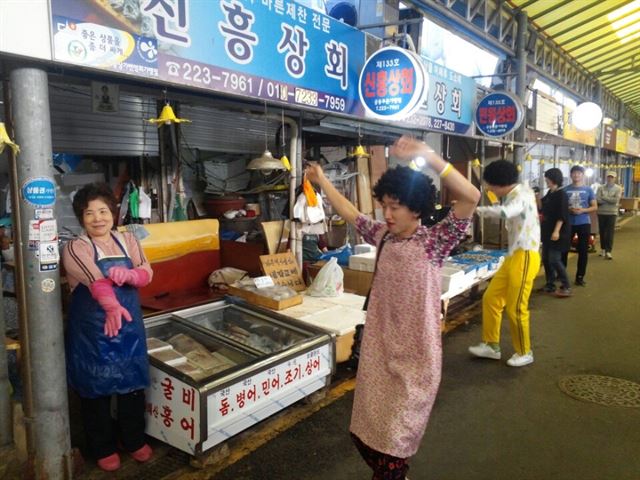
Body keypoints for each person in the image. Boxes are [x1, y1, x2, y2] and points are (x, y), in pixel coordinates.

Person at [306, 136, 480, 480]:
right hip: (379, 352)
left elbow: (471, 197)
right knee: (366, 435)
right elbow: (351, 213)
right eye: (383, 205)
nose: (386, 214)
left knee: (394, 446)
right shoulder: (383, 236)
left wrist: (427, 155)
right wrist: (322, 181)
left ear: (416, 208)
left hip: (416, 360)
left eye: (394, 207)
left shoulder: (434, 241)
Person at [62, 183, 153, 472]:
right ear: (81, 218)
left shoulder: (129, 241)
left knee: (132, 385)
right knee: (96, 389)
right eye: (90, 213)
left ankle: (133, 439)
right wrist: (111, 305)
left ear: (113, 213)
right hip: (93, 332)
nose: (98, 218)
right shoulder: (76, 247)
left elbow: (147, 272)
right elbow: (94, 279)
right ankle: (102, 446)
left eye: (103, 210)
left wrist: (131, 275)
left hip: (128, 328)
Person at [469, 160, 540, 367]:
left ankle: (525, 351)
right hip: (513, 255)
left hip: (526, 255)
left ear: (499, 183)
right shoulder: (514, 194)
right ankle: (491, 345)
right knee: (491, 299)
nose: (489, 189)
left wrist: (478, 210)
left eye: (489, 185)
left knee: (516, 307)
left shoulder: (522, 194)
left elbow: (507, 212)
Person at [537, 168, 572, 297]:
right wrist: (536, 196)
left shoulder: (561, 194)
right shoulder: (550, 193)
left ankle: (566, 285)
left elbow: (562, 215)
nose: (546, 181)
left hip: (558, 232)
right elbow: (541, 208)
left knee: (554, 259)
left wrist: (556, 231)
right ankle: (550, 284)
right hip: (547, 231)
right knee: (546, 259)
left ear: (553, 179)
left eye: (547, 179)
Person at [562, 165, 597, 286]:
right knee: (564, 249)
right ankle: (562, 274)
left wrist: (583, 211)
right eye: (574, 173)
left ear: (582, 175)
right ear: (571, 175)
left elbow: (594, 206)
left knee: (583, 251)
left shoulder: (588, 190)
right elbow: (561, 206)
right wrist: (569, 209)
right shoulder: (565, 190)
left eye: (579, 173)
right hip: (568, 223)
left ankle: (580, 277)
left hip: (584, 223)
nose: (576, 175)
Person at [596, 171, 622, 260]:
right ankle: (603, 249)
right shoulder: (600, 188)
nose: (610, 179)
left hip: (612, 213)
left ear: (615, 178)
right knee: (602, 232)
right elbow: (598, 200)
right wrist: (608, 199)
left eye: (612, 177)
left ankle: (608, 251)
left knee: (610, 233)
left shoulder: (618, 188)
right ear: (606, 178)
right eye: (609, 177)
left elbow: (615, 200)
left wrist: (604, 197)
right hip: (601, 212)